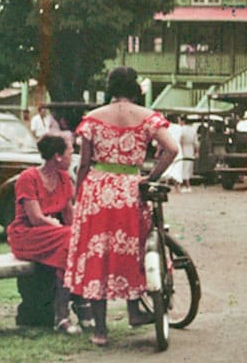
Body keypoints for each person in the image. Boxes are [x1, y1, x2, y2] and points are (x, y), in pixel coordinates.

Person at [64, 66, 178, 347]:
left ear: (110, 87)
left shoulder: (92, 119)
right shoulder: (146, 117)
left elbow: (85, 163)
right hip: (131, 188)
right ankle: (135, 310)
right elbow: (172, 149)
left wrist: (79, 195)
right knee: (133, 249)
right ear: (135, 87)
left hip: (98, 192)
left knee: (98, 254)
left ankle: (101, 331)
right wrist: (151, 176)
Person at [7, 134, 79, 334]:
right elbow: (35, 217)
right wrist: (61, 227)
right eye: (70, 153)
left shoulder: (64, 178)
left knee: (77, 239)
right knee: (69, 238)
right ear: (57, 156)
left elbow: (70, 215)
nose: (72, 157)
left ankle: (72, 310)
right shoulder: (28, 177)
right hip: (26, 234)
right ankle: (62, 314)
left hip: (52, 234)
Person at [178, 115, 198, 193]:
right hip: (191, 149)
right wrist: (197, 151)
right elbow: (196, 142)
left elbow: (181, 140)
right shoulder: (193, 130)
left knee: (183, 167)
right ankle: (186, 185)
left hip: (184, 148)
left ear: (183, 121)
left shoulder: (182, 129)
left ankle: (186, 185)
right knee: (188, 167)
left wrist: (181, 150)